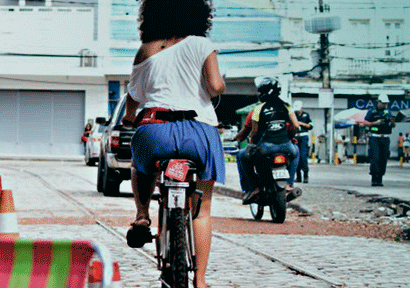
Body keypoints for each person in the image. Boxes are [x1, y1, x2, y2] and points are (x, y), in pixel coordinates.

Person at [120, 1, 224, 286]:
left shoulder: (146, 49)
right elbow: (215, 87)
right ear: (198, 14)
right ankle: (200, 281)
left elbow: (134, 97)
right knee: (202, 210)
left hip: (156, 130)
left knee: (140, 164)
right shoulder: (202, 44)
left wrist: (130, 119)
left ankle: (142, 216)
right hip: (199, 132)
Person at [238, 76, 303, 204]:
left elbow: (254, 132)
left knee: (241, 156)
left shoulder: (258, 109)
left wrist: (252, 144)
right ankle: (289, 184)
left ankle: (253, 188)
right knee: (296, 152)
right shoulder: (287, 106)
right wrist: (289, 137)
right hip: (286, 146)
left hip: (265, 148)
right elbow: (296, 126)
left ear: (263, 93)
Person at [358, 94, 403, 186]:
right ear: (378, 102)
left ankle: (380, 178)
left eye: (386, 104)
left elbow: (393, 126)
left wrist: (393, 121)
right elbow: (365, 122)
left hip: (385, 138)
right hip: (375, 137)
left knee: (383, 158)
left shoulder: (388, 112)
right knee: (375, 158)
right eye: (383, 103)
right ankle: (374, 178)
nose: (385, 105)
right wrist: (375, 123)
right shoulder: (372, 111)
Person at [293, 101, 313, 183]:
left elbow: (310, 126)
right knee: (296, 156)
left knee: (303, 156)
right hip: (295, 136)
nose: (297, 111)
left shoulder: (306, 115)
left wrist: (301, 123)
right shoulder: (293, 115)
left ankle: (305, 176)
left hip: (304, 137)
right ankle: (298, 177)